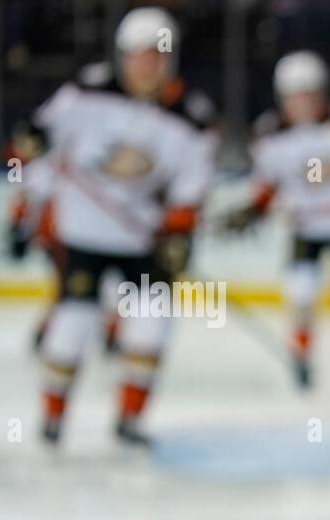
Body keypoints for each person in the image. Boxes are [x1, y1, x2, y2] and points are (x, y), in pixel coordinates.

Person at [23, 6, 217, 447]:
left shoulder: (191, 117)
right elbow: (34, 139)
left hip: (143, 242)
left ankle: (129, 419)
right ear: (121, 57)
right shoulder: (86, 93)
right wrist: (28, 150)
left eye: (156, 56)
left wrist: (180, 230)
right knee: (71, 328)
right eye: (137, 56)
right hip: (84, 236)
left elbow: (192, 186)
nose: (146, 66)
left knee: (152, 328)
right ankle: (52, 420)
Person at [226, 50, 330, 388]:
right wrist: (253, 210)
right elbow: (267, 185)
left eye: (309, 95)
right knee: (300, 296)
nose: (302, 104)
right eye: (295, 97)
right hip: (306, 228)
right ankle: (303, 357)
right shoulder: (273, 135)